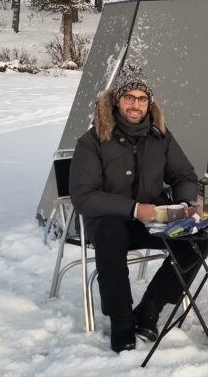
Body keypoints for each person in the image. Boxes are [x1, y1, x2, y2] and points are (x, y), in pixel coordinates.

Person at [70, 64, 200, 353]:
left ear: (149, 103)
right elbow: (83, 196)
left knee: (195, 242)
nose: (136, 105)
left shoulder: (160, 136)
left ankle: (150, 310)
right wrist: (133, 209)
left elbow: (184, 176)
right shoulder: (92, 141)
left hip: (152, 219)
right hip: (109, 220)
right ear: (117, 100)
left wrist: (186, 204)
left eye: (142, 99)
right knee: (110, 235)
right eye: (130, 97)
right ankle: (121, 321)